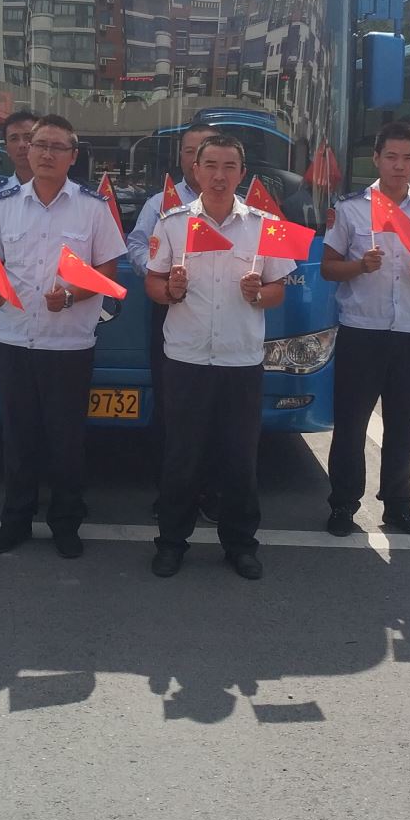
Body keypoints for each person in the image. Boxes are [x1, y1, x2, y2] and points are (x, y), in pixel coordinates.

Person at [145, 133, 295, 581]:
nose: (219, 175)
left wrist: (259, 293)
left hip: (239, 360)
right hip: (186, 358)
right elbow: (153, 283)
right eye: (210, 165)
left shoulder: (266, 225)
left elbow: (279, 289)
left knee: (240, 460)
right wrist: (169, 291)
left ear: (242, 174)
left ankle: (241, 545)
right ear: (195, 170)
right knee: (181, 457)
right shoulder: (172, 222)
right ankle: (171, 543)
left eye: (229, 166)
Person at [0, 114, 126, 559]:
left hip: (68, 345)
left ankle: (65, 522)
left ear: (72, 156)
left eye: (56, 147)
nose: (44, 153)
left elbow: (108, 271)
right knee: (18, 438)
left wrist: (75, 295)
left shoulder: (93, 208)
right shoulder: (2, 204)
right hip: (14, 339)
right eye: (38, 144)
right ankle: (15, 520)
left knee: (66, 440)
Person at [319, 120, 410, 539]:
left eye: (407, 158)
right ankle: (343, 504)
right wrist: (360, 265)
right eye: (391, 156)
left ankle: (398, 506)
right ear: (376, 159)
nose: (399, 165)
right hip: (362, 329)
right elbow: (328, 268)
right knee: (351, 424)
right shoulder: (351, 208)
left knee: (402, 426)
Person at [126, 122, 212, 515]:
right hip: (170, 308)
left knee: (217, 408)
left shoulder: (242, 207)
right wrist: (157, 271)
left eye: (204, 151)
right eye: (190, 151)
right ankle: (171, 491)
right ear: (181, 157)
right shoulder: (161, 203)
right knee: (171, 404)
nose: (197, 160)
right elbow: (136, 243)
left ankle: (211, 491)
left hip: (223, 316)